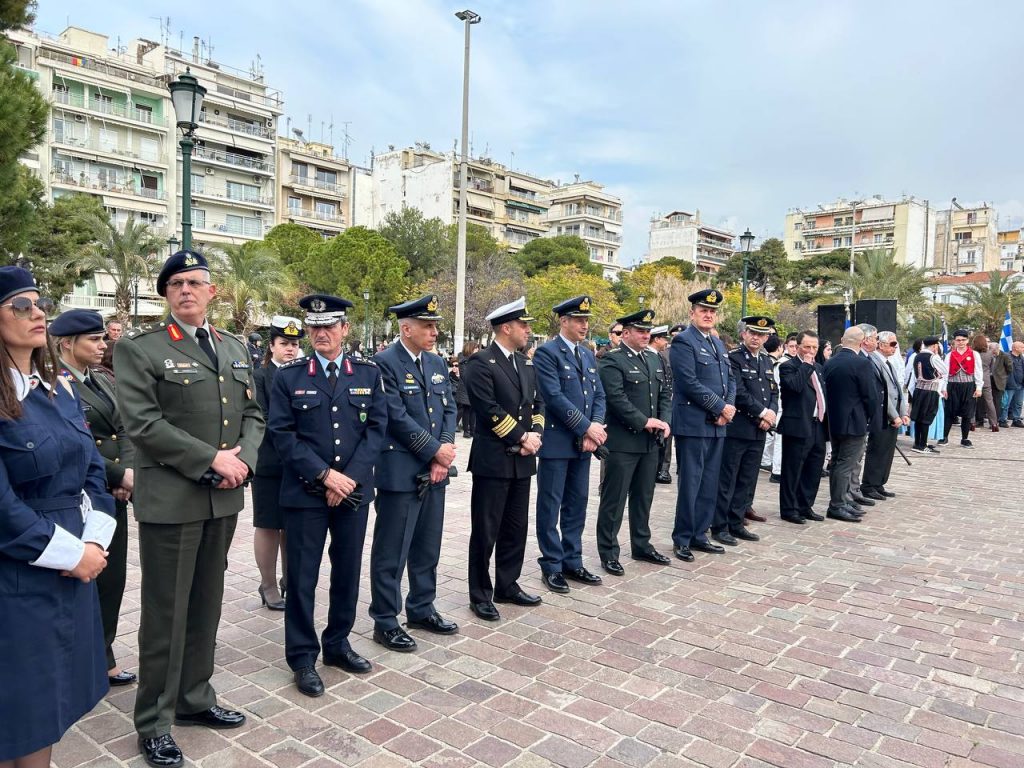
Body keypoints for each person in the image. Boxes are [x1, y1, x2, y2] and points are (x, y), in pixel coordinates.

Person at [115, 250, 265, 768]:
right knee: (165, 614)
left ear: (211, 291)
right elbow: (143, 423)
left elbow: (253, 413)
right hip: (172, 501)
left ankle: (194, 699)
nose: (186, 290)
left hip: (222, 498)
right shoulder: (142, 348)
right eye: (176, 283)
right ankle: (153, 722)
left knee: (206, 603)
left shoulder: (234, 346)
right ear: (165, 294)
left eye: (195, 282)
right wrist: (213, 460)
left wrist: (242, 461)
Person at [0, 267, 115, 768]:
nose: (38, 312)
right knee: (19, 715)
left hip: (72, 568)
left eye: (38, 301)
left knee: (51, 706)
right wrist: (72, 555)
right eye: (19, 306)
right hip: (19, 577)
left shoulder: (58, 387)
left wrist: (95, 544)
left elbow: (92, 469)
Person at [268, 294, 387, 698]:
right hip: (305, 493)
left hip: (351, 494)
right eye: (314, 327)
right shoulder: (289, 376)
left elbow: (377, 431)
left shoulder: (368, 374)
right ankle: (302, 656)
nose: (321, 333)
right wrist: (325, 476)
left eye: (329, 326)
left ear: (344, 330)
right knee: (302, 577)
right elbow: (283, 435)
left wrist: (347, 480)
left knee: (348, 572)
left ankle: (337, 643)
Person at [50, 309, 137, 688]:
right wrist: (118, 474)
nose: (103, 346)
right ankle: (76, 663)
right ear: (67, 343)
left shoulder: (101, 380)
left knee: (112, 579)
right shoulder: (55, 383)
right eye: (94, 340)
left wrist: (128, 473)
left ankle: (103, 655)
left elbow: (126, 429)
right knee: (78, 581)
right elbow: (76, 445)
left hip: (112, 495)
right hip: (81, 494)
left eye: (103, 339)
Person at [369, 295, 459, 653]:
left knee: (427, 545)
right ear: (405, 328)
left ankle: (422, 607)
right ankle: (386, 620)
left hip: (435, 470)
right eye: (427, 325)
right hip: (400, 470)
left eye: (435, 325)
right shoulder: (384, 363)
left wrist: (445, 450)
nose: (435, 331)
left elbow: (449, 407)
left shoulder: (435, 362)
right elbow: (394, 416)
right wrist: (433, 450)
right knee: (392, 550)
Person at [463, 297, 544, 621]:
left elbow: (538, 405)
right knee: (486, 529)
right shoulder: (481, 363)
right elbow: (489, 410)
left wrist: (534, 436)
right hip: (493, 460)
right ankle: (479, 593)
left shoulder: (525, 363)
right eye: (523, 325)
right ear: (506, 327)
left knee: (516, 527)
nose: (528, 330)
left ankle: (507, 584)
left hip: (522, 460)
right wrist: (522, 437)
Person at [533, 295, 607, 593]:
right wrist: (587, 427)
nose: (584, 325)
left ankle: (572, 560)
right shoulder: (547, 353)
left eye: (587, 320)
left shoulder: (588, 355)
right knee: (550, 506)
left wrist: (597, 426)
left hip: (584, 444)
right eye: (579, 320)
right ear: (563, 321)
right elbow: (554, 397)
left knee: (577, 504)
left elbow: (599, 395)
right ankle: (551, 564)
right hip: (557, 441)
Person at [595, 310, 671, 576]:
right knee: (614, 500)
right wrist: (645, 421)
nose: (646, 335)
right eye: (640, 330)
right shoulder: (612, 360)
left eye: (648, 331)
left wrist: (665, 420)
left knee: (643, 497)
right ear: (625, 333)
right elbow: (615, 399)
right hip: (623, 441)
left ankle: (641, 544)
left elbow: (664, 394)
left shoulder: (654, 358)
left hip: (650, 442)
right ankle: (608, 551)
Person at [669, 289, 735, 562]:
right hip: (693, 423)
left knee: (709, 483)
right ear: (692, 313)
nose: (708, 315)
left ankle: (699, 534)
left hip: (718, 425)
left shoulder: (718, 344)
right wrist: (720, 406)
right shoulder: (684, 342)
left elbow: (729, 379)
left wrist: (728, 408)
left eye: (712, 311)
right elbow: (688, 382)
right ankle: (682, 538)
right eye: (703, 310)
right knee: (691, 483)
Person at [252, 316, 306, 612]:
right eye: (284, 343)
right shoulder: (259, 377)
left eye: (295, 344)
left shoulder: (302, 374)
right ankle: (268, 584)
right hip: (271, 461)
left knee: (292, 525)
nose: (290, 349)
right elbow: (262, 418)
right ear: (271, 345)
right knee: (269, 524)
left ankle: (290, 579)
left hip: (298, 464)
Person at [712, 316, 778, 546]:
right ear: (744, 334)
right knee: (728, 479)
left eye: (761, 334)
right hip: (739, 428)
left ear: (767, 337)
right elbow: (738, 392)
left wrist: (771, 414)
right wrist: (762, 413)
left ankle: (736, 522)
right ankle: (719, 526)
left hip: (759, 430)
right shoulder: (735, 359)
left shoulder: (767, 361)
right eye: (752, 333)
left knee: (747, 480)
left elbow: (773, 392)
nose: (756, 338)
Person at [822, 326, 878, 523]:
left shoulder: (830, 362)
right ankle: (837, 504)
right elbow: (870, 395)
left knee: (838, 462)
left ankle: (842, 500)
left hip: (833, 420)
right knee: (845, 465)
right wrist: (872, 417)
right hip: (854, 421)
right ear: (862, 342)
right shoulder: (861, 363)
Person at [777, 330, 828, 525]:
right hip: (798, 424)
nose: (811, 351)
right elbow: (795, 386)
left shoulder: (819, 367)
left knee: (813, 468)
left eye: (815, 347)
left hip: (818, 424)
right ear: (797, 346)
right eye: (807, 346)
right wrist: (806, 365)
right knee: (793, 468)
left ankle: (805, 505)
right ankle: (789, 509)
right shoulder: (789, 366)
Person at [860, 330, 908, 500]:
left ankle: (879, 482)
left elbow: (898, 389)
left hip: (894, 416)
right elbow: (882, 393)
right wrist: (893, 415)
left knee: (887, 451)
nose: (895, 347)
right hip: (882, 415)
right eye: (892, 344)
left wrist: (903, 412)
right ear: (881, 344)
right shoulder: (873, 362)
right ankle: (869, 484)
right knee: (877, 450)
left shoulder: (889, 363)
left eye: (896, 343)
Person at [940, 329, 983, 448]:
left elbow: (978, 371)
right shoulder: (949, 355)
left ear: (967, 340)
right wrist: (943, 388)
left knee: (967, 414)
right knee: (949, 413)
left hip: (969, 386)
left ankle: (965, 438)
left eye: (963, 340)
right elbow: (945, 373)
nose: (961, 342)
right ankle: (944, 437)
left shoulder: (974, 354)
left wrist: (979, 387)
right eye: (958, 340)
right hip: (953, 386)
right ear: (954, 341)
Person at [908, 336, 946, 454]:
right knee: (926, 417)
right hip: (930, 390)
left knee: (919, 417)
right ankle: (922, 445)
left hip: (919, 389)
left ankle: (917, 442)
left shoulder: (916, 356)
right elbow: (945, 371)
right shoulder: (933, 357)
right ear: (934, 346)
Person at [649, 325, 675, 484]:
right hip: (652, 408)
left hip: (663, 406)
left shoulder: (660, 357)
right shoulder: (650, 356)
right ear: (657, 339)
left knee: (664, 441)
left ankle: (661, 470)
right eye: (664, 338)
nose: (666, 342)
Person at [1001, 341, 1024, 427]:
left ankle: (1016, 419)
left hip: (1021, 385)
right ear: (1015, 348)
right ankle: (1002, 420)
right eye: (1022, 347)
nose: (1023, 349)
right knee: (1005, 403)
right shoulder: (1006, 357)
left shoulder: (1022, 358)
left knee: (1018, 403)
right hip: (1009, 385)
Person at [991, 342, 1013, 427]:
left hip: (999, 382)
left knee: (997, 402)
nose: (992, 352)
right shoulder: (989, 355)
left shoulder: (1005, 356)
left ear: (998, 348)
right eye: (991, 350)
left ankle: (995, 421)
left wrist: (1002, 376)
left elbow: (1009, 369)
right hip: (989, 380)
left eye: (993, 351)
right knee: (989, 402)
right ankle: (988, 420)